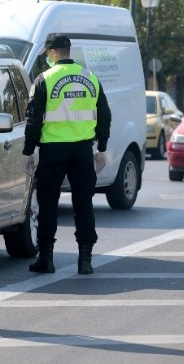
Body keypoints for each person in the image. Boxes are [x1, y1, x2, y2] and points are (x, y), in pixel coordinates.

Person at [22, 33, 111, 275]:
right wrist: (102, 148)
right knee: (83, 204)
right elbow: (104, 116)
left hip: (52, 151)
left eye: (47, 54)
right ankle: (85, 260)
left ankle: (46, 259)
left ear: (52, 52)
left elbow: (33, 121)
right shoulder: (90, 78)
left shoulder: (44, 80)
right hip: (82, 150)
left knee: (48, 203)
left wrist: (28, 152)